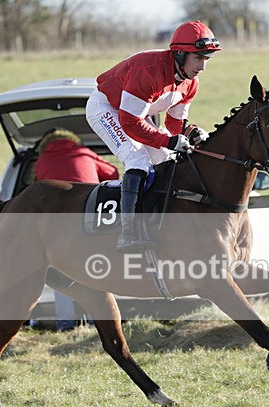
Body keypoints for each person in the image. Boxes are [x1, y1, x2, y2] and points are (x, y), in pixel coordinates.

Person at [86, 20, 220, 251]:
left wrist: (190, 132)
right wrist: (168, 139)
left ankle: (160, 221)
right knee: (137, 158)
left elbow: (174, 122)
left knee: (166, 160)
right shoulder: (150, 71)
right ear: (179, 54)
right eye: (198, 58)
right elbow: (129, 123)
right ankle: (127, 233)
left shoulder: (191, 83)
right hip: (107, 108)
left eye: (206, 59)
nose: (202, 67)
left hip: (136, 114)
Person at [34, 128, 119, 330]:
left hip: (56, 223)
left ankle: (65, 322)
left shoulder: (41, 162)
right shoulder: (85, 153)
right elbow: (113, 173)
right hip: (88, 217)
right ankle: (95, 321)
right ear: (73, 141)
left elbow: (41, 189)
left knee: (60, 269)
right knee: (95, 268)